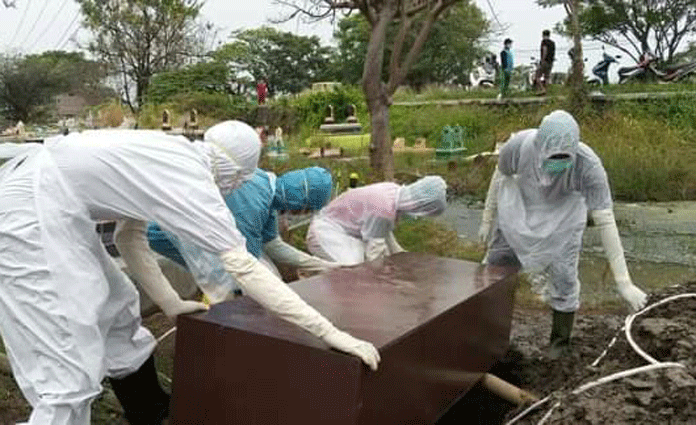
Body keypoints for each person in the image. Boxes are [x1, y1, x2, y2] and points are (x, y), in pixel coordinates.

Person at [0, 121, 379, 425]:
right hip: (27, 213)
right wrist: (332, 333)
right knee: (66, 375)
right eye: (243, 178)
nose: (240, 186)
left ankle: (150, 413)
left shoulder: (173, 154)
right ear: (237, 170)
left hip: (50, 199)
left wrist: (171, 303)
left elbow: (128, 236)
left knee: (118, 306)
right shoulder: (191, 176)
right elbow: (245, 266)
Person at [478, 110, 648, 359]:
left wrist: (624, 282)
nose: (557, 161)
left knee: (565, 276)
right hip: (520, 209)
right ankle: (487, 335)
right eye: (552, 155)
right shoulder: (519, 146)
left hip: (564, 217)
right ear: (539, 146)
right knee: (496, 267)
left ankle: (559, 345)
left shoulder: (587, 165)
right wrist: (487, 217)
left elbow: (605, 220)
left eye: (563, 156)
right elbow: (500, 175)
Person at [147, 166, 338, 302]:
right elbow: (246, 265)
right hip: (175, 229)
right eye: (305, 210)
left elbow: (273, 246)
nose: (299, 215)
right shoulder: (253, 204)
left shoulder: (268, 191)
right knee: (229, 288)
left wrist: (322, 265)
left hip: (202, 232)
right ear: (299, 199)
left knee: (250, 283)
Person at [307, 176, 447, 265]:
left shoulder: (393, 190)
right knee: (353, 269)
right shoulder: (384, 209)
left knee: (375, 260)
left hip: (347, 231)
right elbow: (375, 253)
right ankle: (314, 276)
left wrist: (401, 255)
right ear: (421, 206)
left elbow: (382, 232)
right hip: (325, 232)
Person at [534, 30, 556, 94]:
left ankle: (542, 89)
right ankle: (546, 90)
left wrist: (542, 60)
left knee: (537, 76)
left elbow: (544, 50)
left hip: (545, 61)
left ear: (543, 35)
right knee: (547, 77)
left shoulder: (544, 42)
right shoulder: (553, 43)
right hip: (551, 62)